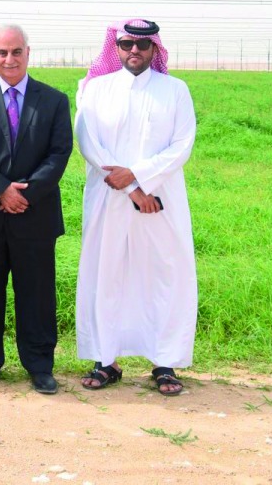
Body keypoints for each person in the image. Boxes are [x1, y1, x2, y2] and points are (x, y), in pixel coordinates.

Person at [74, 19, 197, 396]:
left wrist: (141, 177)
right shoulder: (95, 89)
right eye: (127, 44)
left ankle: (165, 363)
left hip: (159, 201)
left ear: (155, 50)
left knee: (163, 275)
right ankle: (105, 360)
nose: (134, 51)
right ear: (117, 46)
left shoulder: (175, 90)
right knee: (106, 274)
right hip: (110, 197)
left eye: (143, 46)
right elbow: (87, 140)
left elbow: (182, 145)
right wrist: (131, 187)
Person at [0, 24, 73, 394]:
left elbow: (59, 154)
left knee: (36, 294)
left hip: (34, 215)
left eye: (16, 52)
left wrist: (27, 194)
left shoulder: (53, 100)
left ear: (27, 53)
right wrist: (1, 189)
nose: (9, 59)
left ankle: (39, 366)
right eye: (2, 53)